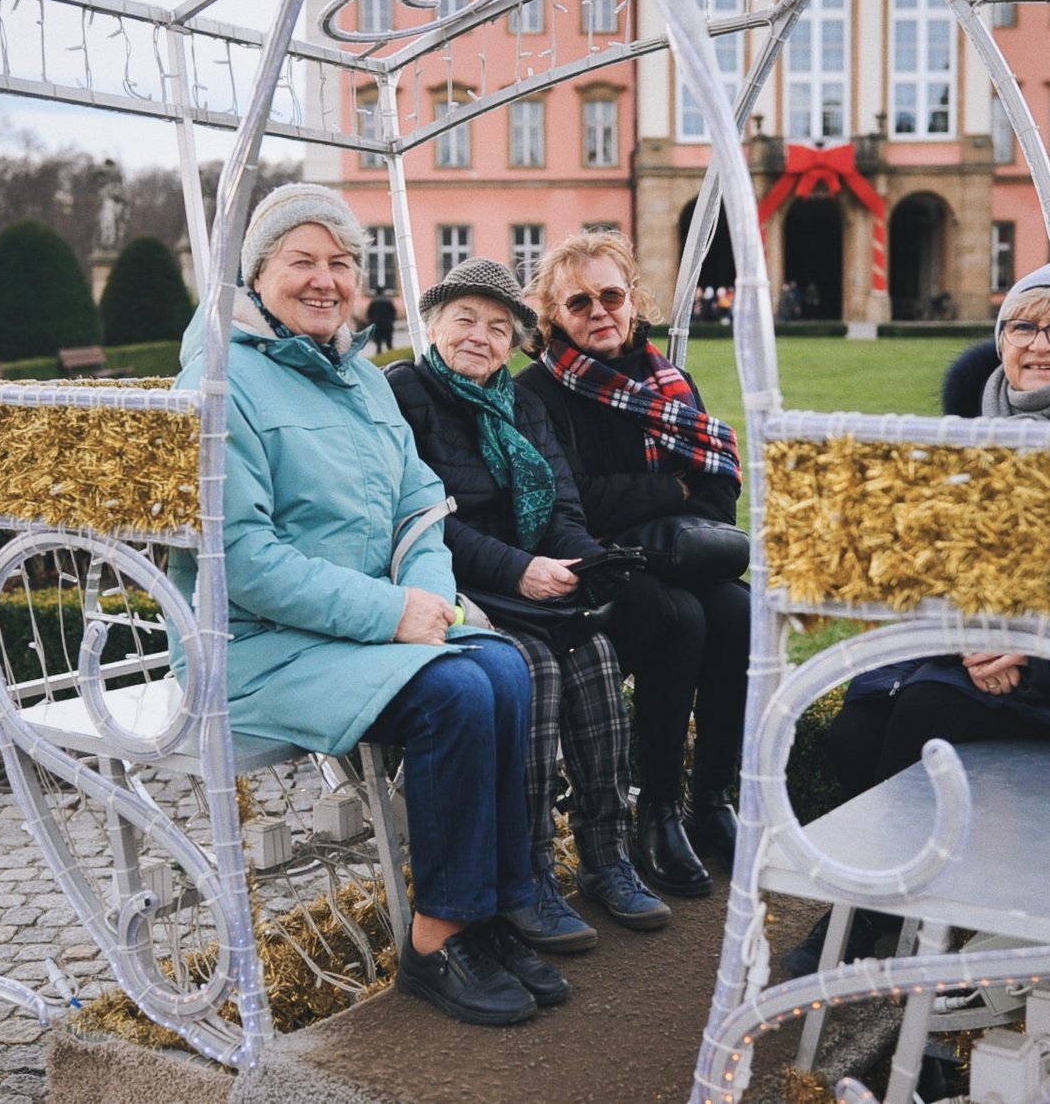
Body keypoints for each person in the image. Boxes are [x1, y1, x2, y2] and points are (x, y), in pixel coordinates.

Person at [168, 184, 563, 1026]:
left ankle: (489, 910)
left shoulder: (357, 375)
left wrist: (423, 593)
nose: (324, 279)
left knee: (507, 664)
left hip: (353, 631)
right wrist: (391, 612)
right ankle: (435, 940)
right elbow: (239, 559)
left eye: (340, 262)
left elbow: (420, 502)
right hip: (254, 644)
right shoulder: (218, 383)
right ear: (256, 274)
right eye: (300, 260)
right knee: (458, 692)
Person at [783, 261, 1050, 976]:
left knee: (922, 710)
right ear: (1001, 336)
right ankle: (927, 898)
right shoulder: (975, 420)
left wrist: (1030, 651)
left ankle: (868, 922)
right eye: (1022, 326)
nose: (1039, 343)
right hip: (968, 640)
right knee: (854, 731)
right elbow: (937, 551)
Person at [387, 258, 670, 951]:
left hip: (530, 584)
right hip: (450, 583)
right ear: (432, 326)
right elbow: (422, 517)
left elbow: (563, 504)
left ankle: (608, 855)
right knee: (537, 668)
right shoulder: (404, 393)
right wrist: (521, 571)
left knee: (595, 656)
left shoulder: (523, 404)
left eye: (497, 326)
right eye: (465, 320)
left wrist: (579, 559)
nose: (480, 337)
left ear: (514, 342)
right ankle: (532, 871)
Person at [517, 230, 748, 899]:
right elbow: (571, 503)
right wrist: (667, 491)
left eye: (610, 294)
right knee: (675, 616)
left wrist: (659, 501)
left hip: (667, 558)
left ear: (633, 299)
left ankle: (711, 801)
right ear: (553, 315)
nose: (598, 310)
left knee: (736, 611)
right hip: (588, 572)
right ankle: (657, 813)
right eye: (578, 300)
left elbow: (717, 491)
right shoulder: (539, 392)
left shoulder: (669, 382)